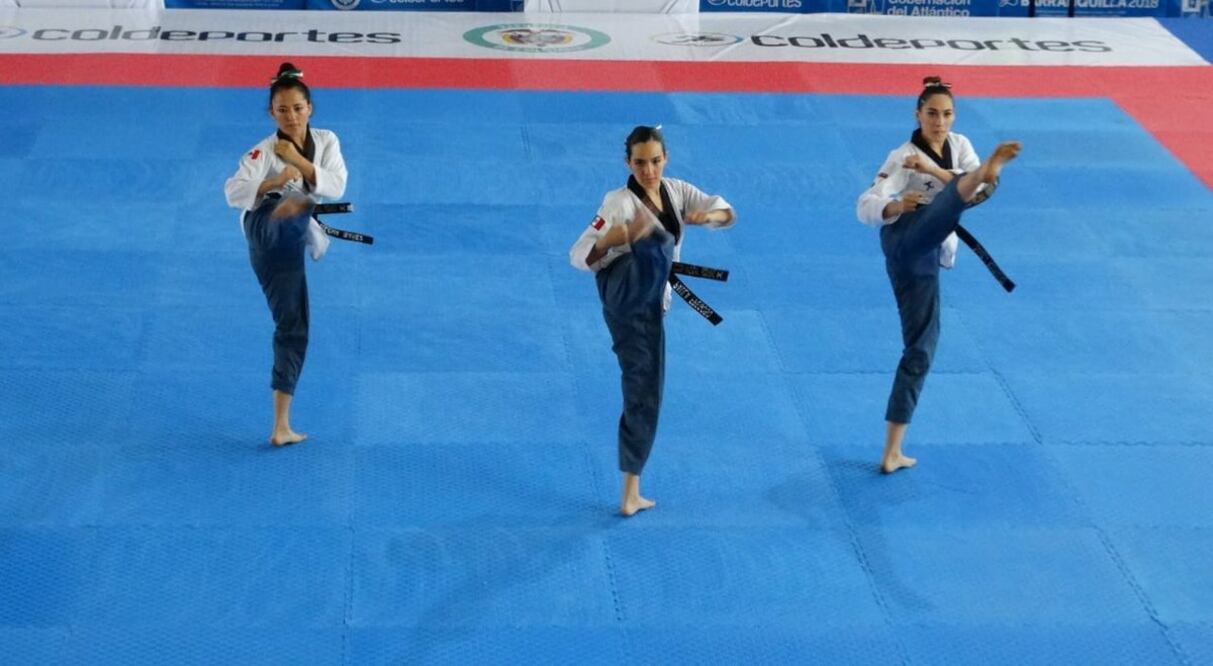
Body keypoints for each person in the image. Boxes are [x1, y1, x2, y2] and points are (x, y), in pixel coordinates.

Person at [857, 76, 1021, 474]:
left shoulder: (960, 146)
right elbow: (864, 205)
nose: (940, 121)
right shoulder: (902, 155)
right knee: (946, 204)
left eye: (947, 113)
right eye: (931, 113)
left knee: (921, 349)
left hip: (928, 255)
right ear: (917, 114)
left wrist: (933, 168)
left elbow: (983, 194)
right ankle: (971, 180)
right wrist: (896, 205)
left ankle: (892, 451)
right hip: (903, 241)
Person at [570, 126, 736, 516]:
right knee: (656, 242)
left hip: (651, 300)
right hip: (625, 297)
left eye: (656, 161)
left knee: (644, 391)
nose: (649, 170)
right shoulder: (617, 202)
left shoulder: (675, 191)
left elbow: (727, 213)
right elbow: (577, 255)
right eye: (640, 162)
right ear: (628, 163)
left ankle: (631, 489)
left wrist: (705, 214)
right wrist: (614, 239)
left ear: (666, 159)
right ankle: (630, 491)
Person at [223, 62, 348, 447]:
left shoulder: (326, 141)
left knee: (293, 328)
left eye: (297, 108)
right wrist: (274, 180)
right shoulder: (261, 152)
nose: (291, 116)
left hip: (286, 250)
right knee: (292, 201)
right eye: (282, 110)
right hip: (263, 230)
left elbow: (337, 185)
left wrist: (297, 162)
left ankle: (281, 427)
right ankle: (298, 213)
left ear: (310, 107)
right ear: (271, 113)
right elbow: (232, 192)